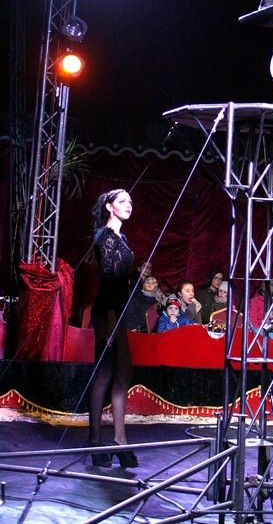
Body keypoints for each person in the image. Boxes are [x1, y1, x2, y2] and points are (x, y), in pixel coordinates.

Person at [87, 189, 138, 468]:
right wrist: (109, 321)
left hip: (119, 312)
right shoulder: (105, 237)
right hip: (108, 312)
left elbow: (121, 282)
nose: (129, 205)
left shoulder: (122, 238)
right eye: (122, 201)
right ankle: (95, 441)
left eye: (130, 201)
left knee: (123, 374)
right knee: (105, 373)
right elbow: (108, 281)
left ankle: (120, 440)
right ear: (109, 207)